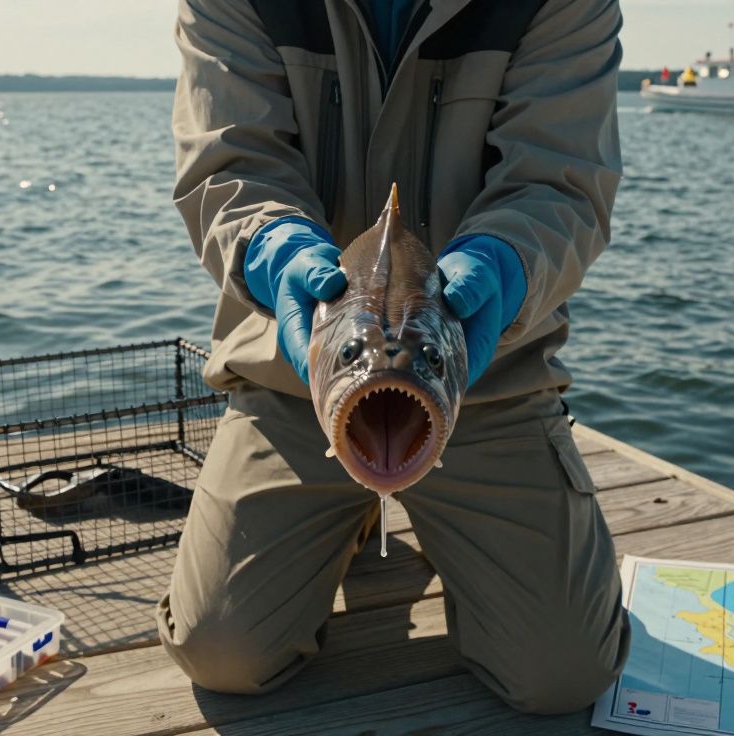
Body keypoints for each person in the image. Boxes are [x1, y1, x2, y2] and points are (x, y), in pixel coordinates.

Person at [161, 0, 630, 715]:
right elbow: (231, 163)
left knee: (561, 673)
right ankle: (352, 518)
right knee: (223, 650)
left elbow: (560, 179)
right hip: (296, 366)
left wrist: (505, 263)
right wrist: (273, 247)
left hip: (483, 361)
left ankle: (441, 524)